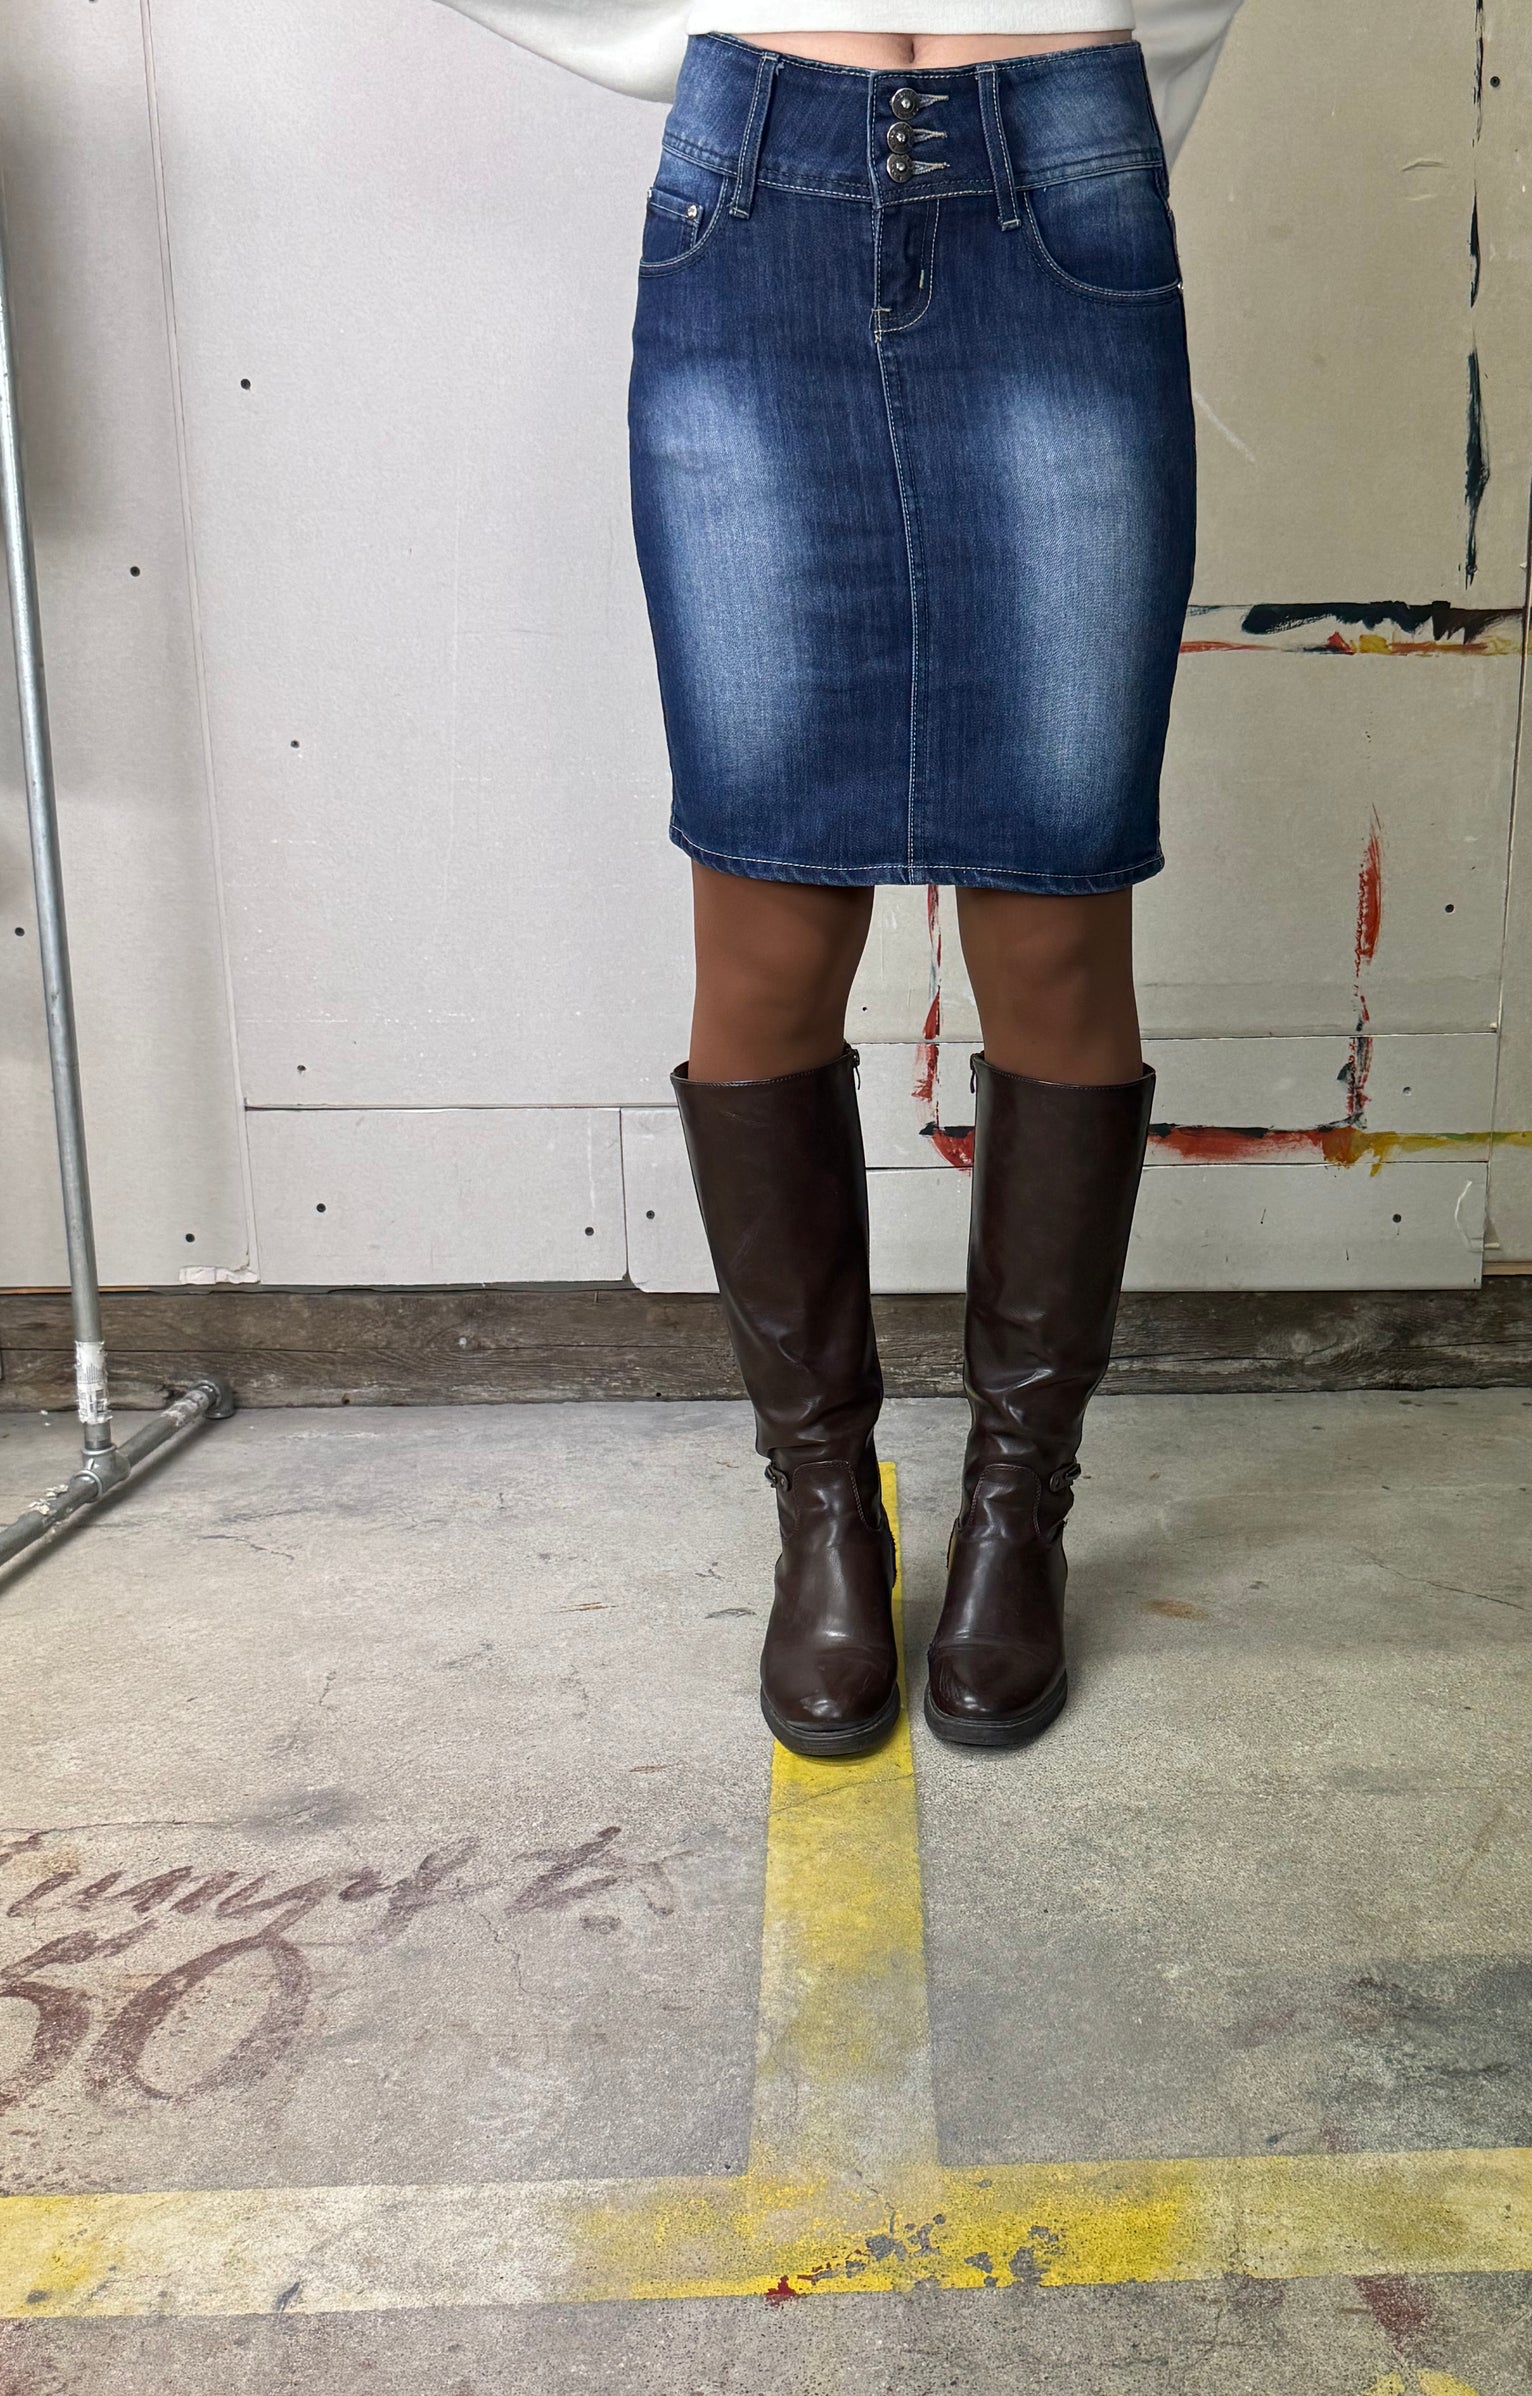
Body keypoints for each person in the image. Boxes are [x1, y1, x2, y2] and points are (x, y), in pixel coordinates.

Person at [434, 0, 1244, 1756]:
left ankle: (1018, 1515)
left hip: (1063, 199)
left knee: (1053, 913)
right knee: (766, 927)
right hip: (755, 206)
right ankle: (824, 1511)